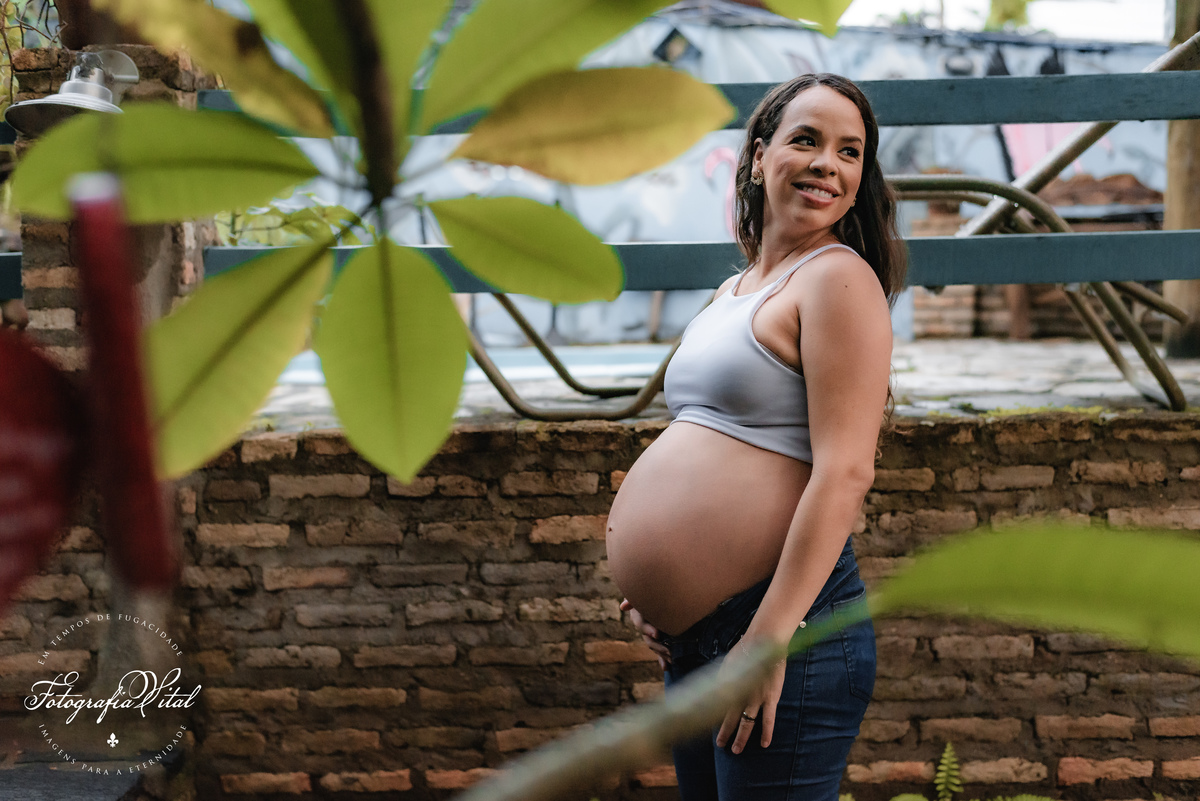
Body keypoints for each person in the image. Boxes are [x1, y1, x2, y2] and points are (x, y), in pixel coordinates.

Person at [605, 73, 906, 801]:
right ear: (758, 156)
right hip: (702, 644)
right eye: (807, 139)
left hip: (781, 635)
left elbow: (844, 473)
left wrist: (768, 640)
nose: (827, 163)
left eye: (850, 151)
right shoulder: (732, 291)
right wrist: (660, 598)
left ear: (860, 182)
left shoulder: (836, 279)